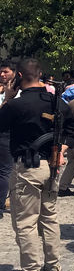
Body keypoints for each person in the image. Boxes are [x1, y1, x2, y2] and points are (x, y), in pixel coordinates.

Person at [0, 58, 74, 271]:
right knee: (49, 218)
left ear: (19, 77)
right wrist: (62, 149)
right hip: (51, 167)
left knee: (25, 222)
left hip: (27, 167)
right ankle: (53, 265)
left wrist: (8, 99)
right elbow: (73, 129)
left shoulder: (17, 105)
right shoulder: (56, 102)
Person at [0, 59, 17, 211]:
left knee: (8, 170)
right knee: (6, 170)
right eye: (1, 71)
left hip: (11, 133)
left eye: (6, 71)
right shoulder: (4, 91)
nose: (2, 74)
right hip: (3, 134)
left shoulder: (19, 91)